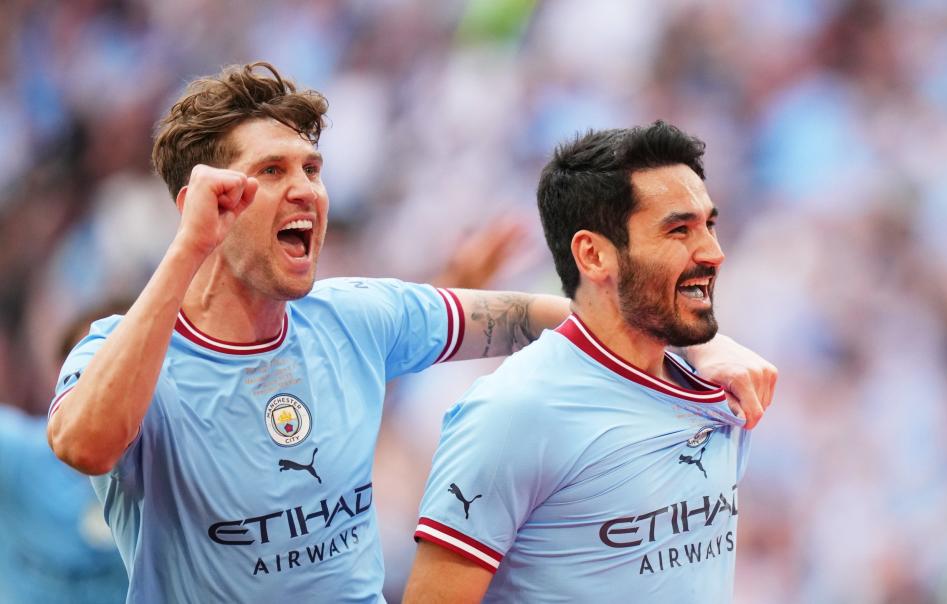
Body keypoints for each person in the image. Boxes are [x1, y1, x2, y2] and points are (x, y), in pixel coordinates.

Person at [47, 63, 773, 603]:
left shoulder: (354, 316)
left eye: (313, 167)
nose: (306, 187)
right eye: (271, 171)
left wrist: (698, 343)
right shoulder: (121, 350)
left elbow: (552, 317)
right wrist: (189, 248)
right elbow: (86, 444)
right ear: (201, 203)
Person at [404, 122, 761, 603]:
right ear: (593, 255)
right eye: (679, 230)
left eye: (709, 225)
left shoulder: (724, 390)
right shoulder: (514, 412)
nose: (714, 253)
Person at [0, 304, 129, 604]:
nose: (100, 388)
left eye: (116, 367)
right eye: (82, 370)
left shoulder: (177, 475)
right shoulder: (16, 455)